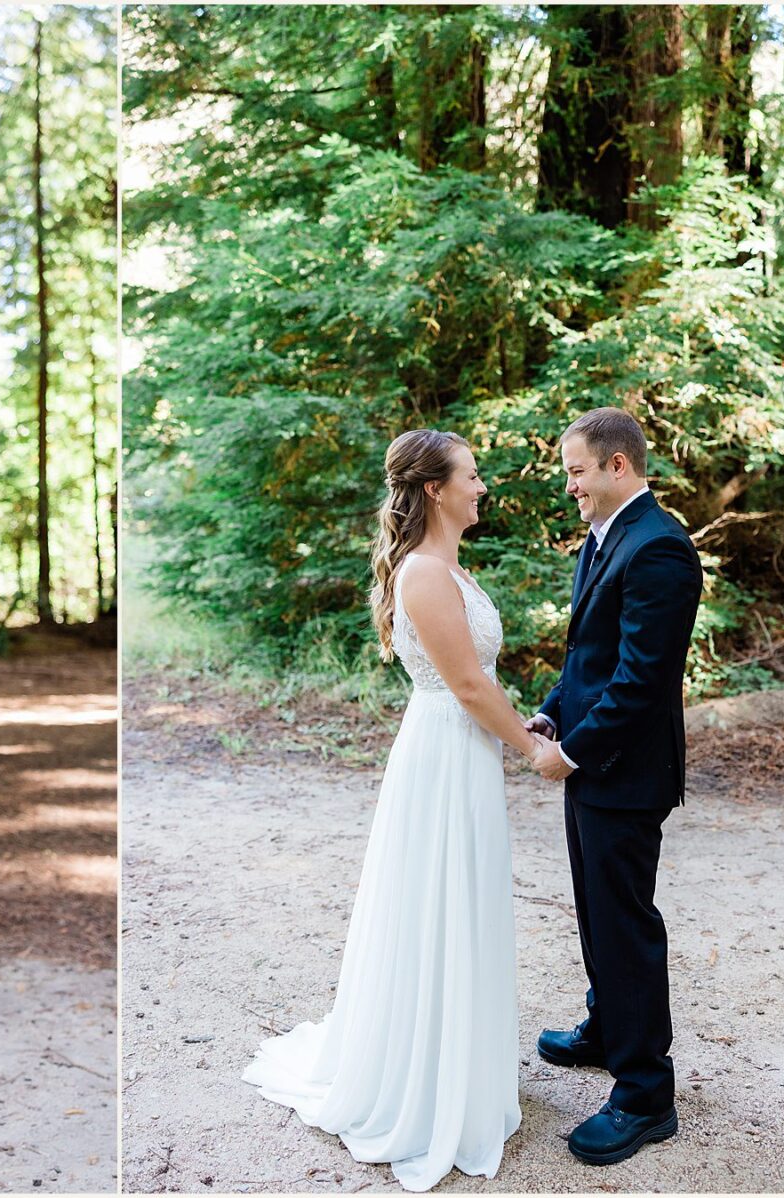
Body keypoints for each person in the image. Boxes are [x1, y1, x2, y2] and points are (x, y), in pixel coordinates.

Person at [243, 429, 550, 1192]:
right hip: (445, 752)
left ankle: (461, 1067)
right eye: (472, 476)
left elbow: (476, 678)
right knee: (436, 906)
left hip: (462, 750)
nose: (483, 487)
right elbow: (470, 688)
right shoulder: (423, 572)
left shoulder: (449, 567)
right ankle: (424, 1086)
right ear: (436, 489)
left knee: (463, 903)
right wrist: (532, 750)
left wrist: (525, 726)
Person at [525, 407, 702, 1165]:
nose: (571, 487)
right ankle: (605, 1028)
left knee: (624, 923)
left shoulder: (660, 549)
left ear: (617, 466)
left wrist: (575, 752)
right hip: (596, 765)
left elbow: (640, 680)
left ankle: (644, 1094)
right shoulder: (606, 539)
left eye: (576, 471)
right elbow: (589, 660)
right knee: (595, 911)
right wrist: (550, 712)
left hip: (626, 773)